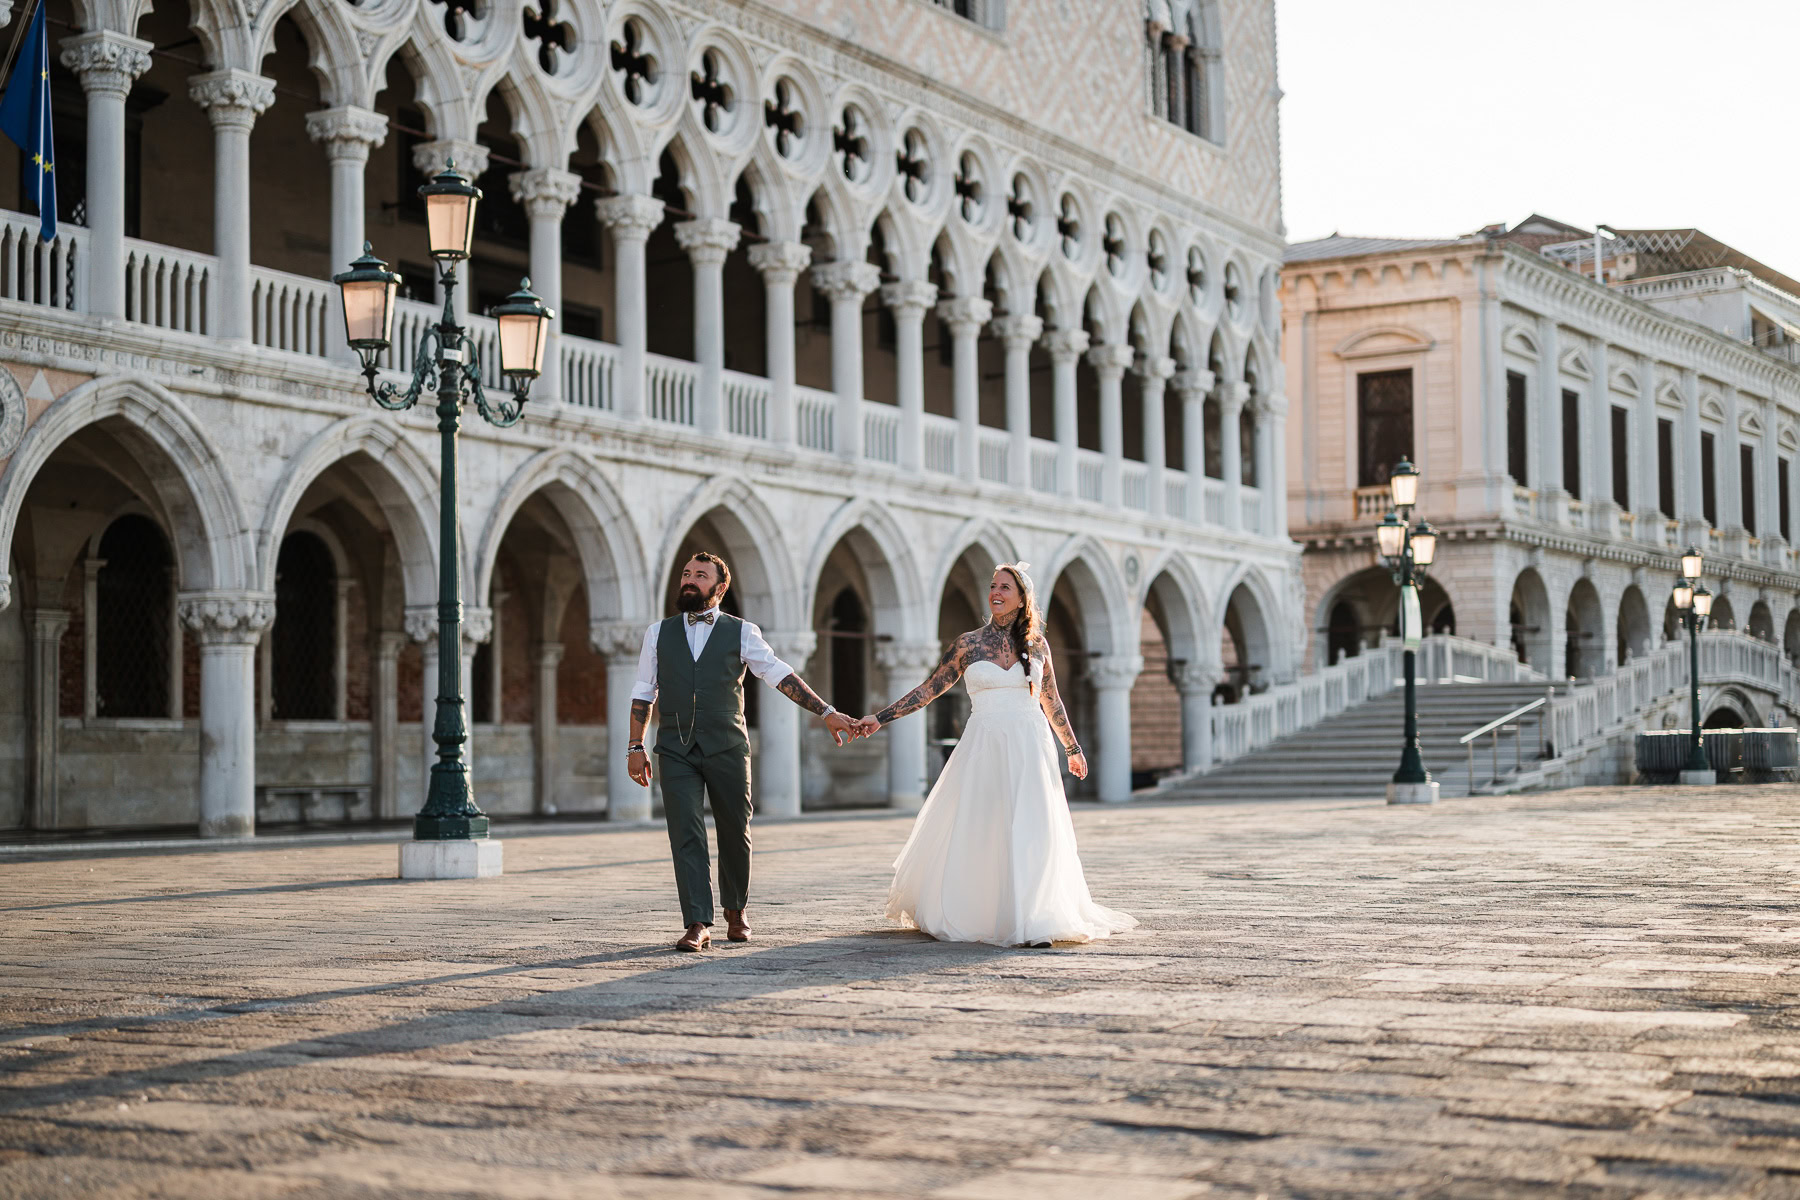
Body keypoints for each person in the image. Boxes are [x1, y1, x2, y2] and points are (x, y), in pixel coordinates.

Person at [852, 562, 1136, 948]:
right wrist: (880, 718)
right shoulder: (969, 644)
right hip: (984, 744)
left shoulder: (1036, 645)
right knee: (984, 826)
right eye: (992, 586)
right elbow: (928, 690)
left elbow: (1051, 701)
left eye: (1005, 587)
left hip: (1030, 744)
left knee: (1033, 828)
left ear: (1022, 600)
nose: (996, 593)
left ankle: (1034, 919)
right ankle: (984, 911)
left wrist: (1072, 748)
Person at [628, 552, 860, 952]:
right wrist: (636, 746)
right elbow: (643, 693)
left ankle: (736, 910)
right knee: (685, 832)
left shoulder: (742, 631)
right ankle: (698, 922)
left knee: (735, 830)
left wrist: (825, 711)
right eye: (686, 573)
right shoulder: (657, 633)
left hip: (728, 747)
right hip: (675, 749)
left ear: (719, 588)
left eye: (700, 575)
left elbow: (777, 674)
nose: (689, 580)